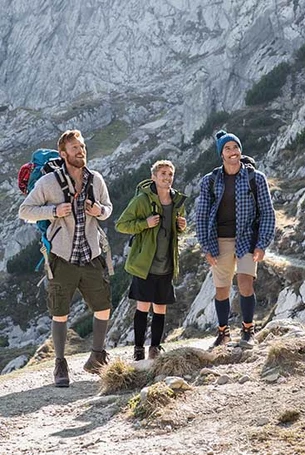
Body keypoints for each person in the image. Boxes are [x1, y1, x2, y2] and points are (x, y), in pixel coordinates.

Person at [19, 129, 113, 387]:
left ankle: (97, 355)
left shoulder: (96, 179)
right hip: (62, 257)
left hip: (91, 255)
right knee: (60, 313)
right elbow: (24, 211)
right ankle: (60, 364)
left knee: (103, 307)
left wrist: (99, 210)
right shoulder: (48, 183)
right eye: (74, 148)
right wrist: (53, 210)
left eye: (82, 147)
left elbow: (108, 208)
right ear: (63, 154)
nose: (80, 151)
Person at [196, 130, 275, 349]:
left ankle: (248, 331)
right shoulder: (210, 181)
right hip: (219, 241)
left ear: (240, 150)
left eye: (236, 147)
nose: (233, 152)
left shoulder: (255, 178)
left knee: (245, 284)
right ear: (221, 153)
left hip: (247, 239)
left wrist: (262, 243)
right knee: (221, 289)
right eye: (228, 148)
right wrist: (206, 247)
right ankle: (223, 333)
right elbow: (201, 215)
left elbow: (267, 213)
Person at [115, 160, 187, 360]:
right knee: (143, 307)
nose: (167, 177)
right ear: (153, 177)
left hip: (166, 263)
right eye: (162, 173)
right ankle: (138, 349)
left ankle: (155, 347)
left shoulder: (177, 201)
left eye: (170, 174)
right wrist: (144, 224)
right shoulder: (142, 200)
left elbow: (179, 230)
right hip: (145, 264)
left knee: (161, 308)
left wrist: (182, 226)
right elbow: (121, 225)